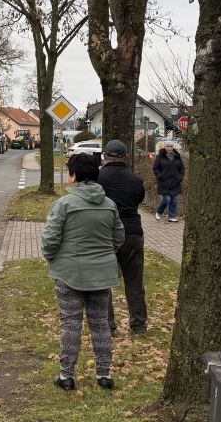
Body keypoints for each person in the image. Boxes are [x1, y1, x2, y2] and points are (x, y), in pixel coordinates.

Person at [42, 153, 125, 391]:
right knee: (100, 324)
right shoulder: (109, 205)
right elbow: (119, 237)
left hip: (69, 274)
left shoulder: (64, 205)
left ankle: (66, 375)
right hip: (101, 275)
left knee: (70, 324)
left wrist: (53, 259)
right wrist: (103, 255)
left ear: (74, 175)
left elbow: (50, 240)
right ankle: (104, 375)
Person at [97, 140, 147, 336]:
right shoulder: (136, 180)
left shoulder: (97, 179)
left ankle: (108, 327)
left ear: (105, 156)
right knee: (134, 281)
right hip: (132, 233)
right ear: (125, 156)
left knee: (103, 282)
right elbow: (138, 200)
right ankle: (139, 326)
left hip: (105, 234)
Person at [153, 142, 185, 222]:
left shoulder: (177, 157)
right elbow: (155, 168)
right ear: (165, 147)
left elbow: (182, 168)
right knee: (167, 199)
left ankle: (172, 216)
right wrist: (160, 176)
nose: (169, 148)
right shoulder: (160, 156)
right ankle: (159, 212)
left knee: (173, 200)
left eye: (171, 146)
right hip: (164, 182)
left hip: (175, 182)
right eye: (167, 146)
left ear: (173, 147)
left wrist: (180, 177)